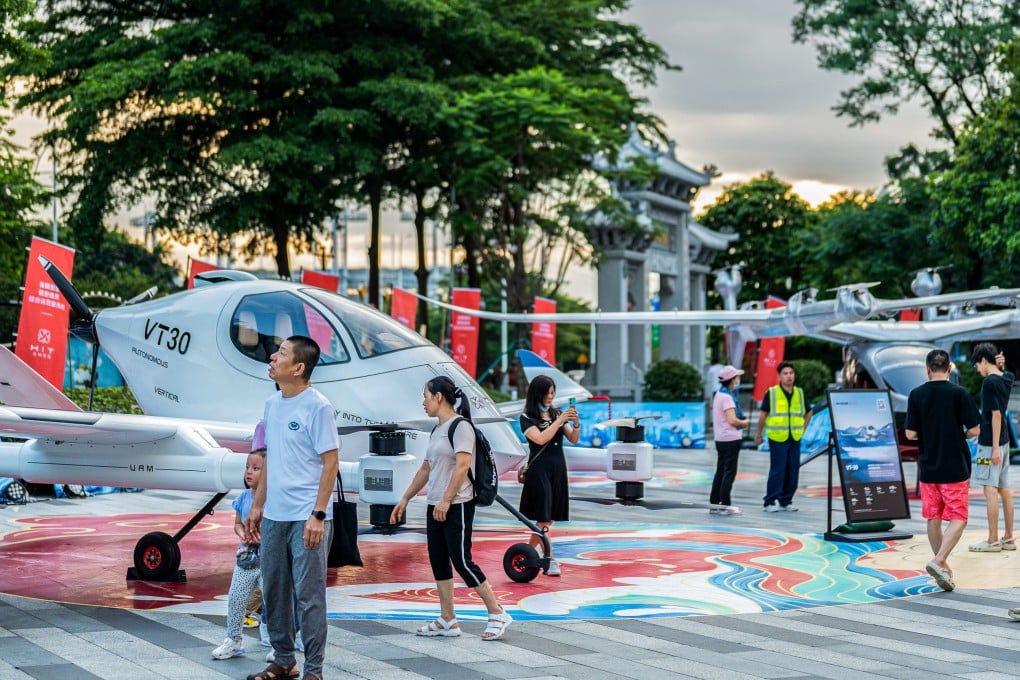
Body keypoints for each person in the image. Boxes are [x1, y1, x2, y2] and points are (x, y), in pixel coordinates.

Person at [244, 336, 339, 680]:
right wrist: (258, 504)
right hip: (274, 517)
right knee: (273, 591)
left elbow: (331, 463)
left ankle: (314, 670)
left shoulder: (318, 407)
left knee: (309, 598)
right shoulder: (272, 404)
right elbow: (272, 459)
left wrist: (318, 514)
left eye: (282, 353)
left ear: (298, 367)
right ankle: (284, 660)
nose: (273, 356)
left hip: (306, 518)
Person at [390, 376, 512, 641]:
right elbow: (426, 469)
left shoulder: (461, 427)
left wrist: (446, 500)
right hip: (435, 504)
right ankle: (448, 619)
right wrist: (405, 498)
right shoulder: (438, 430)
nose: (423, 402)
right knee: (438, 561)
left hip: (456, 505)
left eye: (425, 396)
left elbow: (462, 466)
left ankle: (497, 612)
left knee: (462, 560)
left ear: (438, 397)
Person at [905, 348, 981, 592]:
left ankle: (943, 568)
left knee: (933, 517)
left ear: (927, 369)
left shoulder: (916, 395)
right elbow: (975, 430)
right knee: (958, 517)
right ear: (949, 369)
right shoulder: (959, 393)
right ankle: (939, 561)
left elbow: (910, 433)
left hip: (928, 466)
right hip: (955, 465)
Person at [517, 375, 580, 575]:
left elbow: (573, 438)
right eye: (546, 393)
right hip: (539, 470)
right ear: (537, 393)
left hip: (557, 469)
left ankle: (527, 552)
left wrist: (575, 424)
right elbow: (541, 438)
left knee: (548, 519)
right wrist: (559, 420)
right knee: (543, 518)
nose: (550, 397)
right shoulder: (527, 417)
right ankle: (550, 560)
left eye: (552, 393)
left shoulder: (556, 413)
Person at [211, 448, 266, 660]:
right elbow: (237, 524)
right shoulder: (243, 497)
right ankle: (233, 639)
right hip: (246, 559)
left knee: (273, 601)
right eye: (247, 467)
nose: (249, 472)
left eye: (256, 468)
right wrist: (243, 533)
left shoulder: (275, 500)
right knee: (235, 598)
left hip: (268, 559)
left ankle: (276, 643)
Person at [968, 344, 1015, 553]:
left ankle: (993, 539)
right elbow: (1006, 372)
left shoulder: (989, 383)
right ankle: (1009, 538)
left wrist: (994, 448)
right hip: (1005, 442)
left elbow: (996, 415)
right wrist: (1002, 366)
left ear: (984, 361)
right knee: (1005, 490)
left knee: (989, 490)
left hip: (990, 446)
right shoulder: (1007, 377)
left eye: (978, 365)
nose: (978, 370)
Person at [754, 361, 812, 512]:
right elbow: (763, 415)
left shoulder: (799, 392)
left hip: (794, 437)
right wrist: (759, 434)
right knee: (778, 470)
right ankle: (769, 502)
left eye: (791, 373)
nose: (789, 376)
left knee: (792, 470)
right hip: (777, 437)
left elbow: (809, 411)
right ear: (779, 376)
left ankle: (786, 501)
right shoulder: (772, 393)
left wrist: (803, 428)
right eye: (785, 374)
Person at [710, 366, 749, 515]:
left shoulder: (719, 394)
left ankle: (714, 502)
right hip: (731, 439)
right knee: (729, 472)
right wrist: (744, 423)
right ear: (732, 380)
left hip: (720, 438)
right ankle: (725, 504)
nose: (738, 380)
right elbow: (732, 420)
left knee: (721, 470)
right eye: (737, 377)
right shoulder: (728, 397)